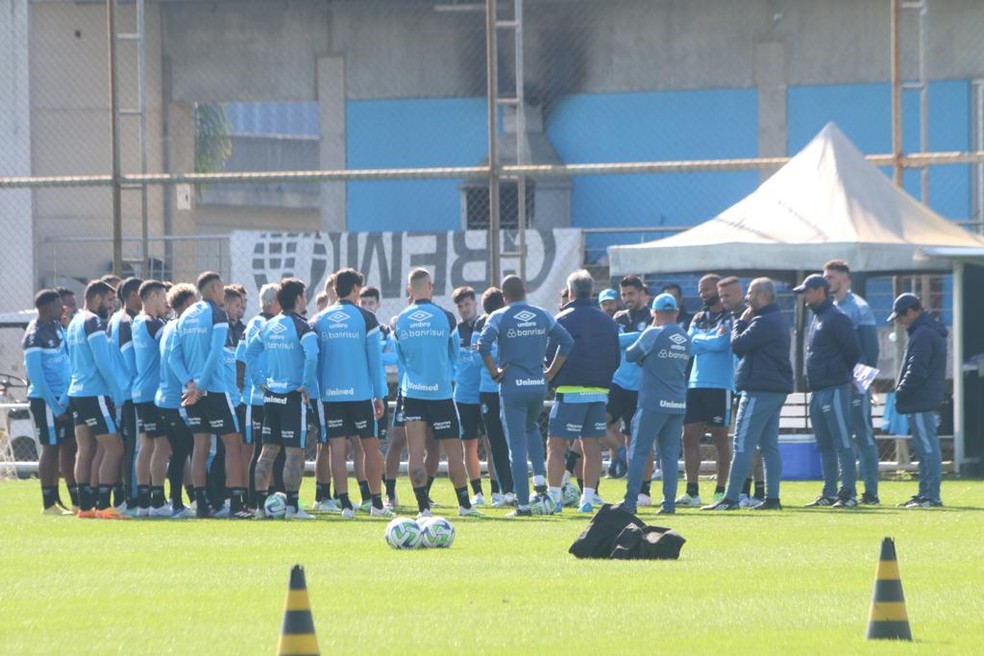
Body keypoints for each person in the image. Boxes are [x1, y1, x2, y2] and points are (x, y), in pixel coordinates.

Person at [478, 274, 573, 517]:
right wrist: (550, 372)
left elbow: (483, 345)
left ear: (503, 295)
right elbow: (567, 341)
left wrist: (495, 372)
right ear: (525, 291)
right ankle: (539, 478)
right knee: (531, 428)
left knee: (516, 446)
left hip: (512, 387)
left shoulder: (498, 316)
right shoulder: (542, 314)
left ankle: (522, 505)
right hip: (537, 385)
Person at [394, 268, 482, 519]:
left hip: (412, 394)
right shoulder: (446, 317)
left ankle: (423, 509)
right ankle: (465, 505)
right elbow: (455, 353)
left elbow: (401, 358)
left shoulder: (400, 320)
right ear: (431, 286)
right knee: (454, 451)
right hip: (441, 393)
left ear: (409, 289)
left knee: (415, 453)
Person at [702, 278, 792, 511]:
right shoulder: (777, 320)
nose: (746, 297)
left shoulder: (762, 322)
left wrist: (740, 323)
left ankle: (731, 498)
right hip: (774, 390)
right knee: (769, 447)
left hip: (759, 390)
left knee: (742, 444)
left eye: (750, 293)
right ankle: (772, 498)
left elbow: (738, 345)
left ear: (761, 296)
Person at [310, 268, 391, 518]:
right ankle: (376, 504)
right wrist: (380, 394)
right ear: (356, 289)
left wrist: (318, 392)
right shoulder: (366, 318)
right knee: (369, 447)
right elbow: (374, 361)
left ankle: (345, 505)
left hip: (331, 395)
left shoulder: (318, 320)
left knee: (337, 448)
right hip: (359, 395)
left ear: (334, 289)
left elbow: (315, 359)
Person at [174, 271, 249, 519]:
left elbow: (173, 357)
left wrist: (190, 384)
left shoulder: (185, 315)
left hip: (191, 391)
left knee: (200, 446)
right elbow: (215, 354)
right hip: (214, 389)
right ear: (216, 288)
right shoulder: (217, 314)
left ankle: (203, 504)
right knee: (233, 444)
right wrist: (202, 387)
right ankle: (237, 505)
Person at [244, 278, 319, 520]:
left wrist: (259, 381)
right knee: (294, 453)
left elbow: (249, 353)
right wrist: (306, 386)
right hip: (292, 398)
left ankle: (259, 508)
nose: (306, 300)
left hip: (271, 396)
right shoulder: (302, 327)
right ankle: (293, 507)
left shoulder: (268, 326)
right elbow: (312, 357)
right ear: (298, 299)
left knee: (268, 452)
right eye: (304, 296)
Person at [546, 270, 620, 513]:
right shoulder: (608, 321)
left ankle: (554, 499)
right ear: (592, 291)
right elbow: (615, 358)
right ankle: (587, 500)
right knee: (592, 446)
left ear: (571, 292)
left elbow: (550, 355)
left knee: (556, 445)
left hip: (569, 391)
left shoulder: (563, 318)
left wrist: (551, 376)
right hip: (599, 392)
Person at [795, 274, 863, 509]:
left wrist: (838, 373)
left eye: (807, 291)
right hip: (818, 389)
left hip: (834, 387)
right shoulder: (818, 318)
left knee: (842, 441)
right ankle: (830, 491)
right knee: (824, 444)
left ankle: (849, 494)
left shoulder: (836, 318)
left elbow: (853, 350)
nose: (804, 296)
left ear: (820, 291)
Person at [622, 293, 691, 514]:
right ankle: (668, 504)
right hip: (678, 402)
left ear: (654, 312)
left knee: (639, 451)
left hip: (652, 403)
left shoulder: (653, 333)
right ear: (676, 312)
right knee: (669, 456)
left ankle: (630, 501)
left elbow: (632, 355)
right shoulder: (685, 336)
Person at [67, 280, 127, 519]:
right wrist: (118, 392)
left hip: (77, 393)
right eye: (109, 300)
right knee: (114, 448)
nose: (112, 306)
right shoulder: (93, 322)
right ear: (96, 299)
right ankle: (103, 506)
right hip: (95, 393)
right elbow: (104, 362)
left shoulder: (74, 322)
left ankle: (85, 507)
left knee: (85, 449)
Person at [823, 260, 881, 505]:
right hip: (836, 383)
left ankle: (871, 492)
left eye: (831, 277)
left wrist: (861, 382)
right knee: (841, 438)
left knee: (863, 435)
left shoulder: (859, 307)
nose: (827, 282)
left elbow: (872, 349)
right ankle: (844, 490)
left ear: (845, 279)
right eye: (825, 277)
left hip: (855, 384)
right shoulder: (830, 308)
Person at [678, 274, 733, 506]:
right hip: (695, 384)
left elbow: (723, 344)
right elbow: (688, 345)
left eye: (707, 289)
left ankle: (721, 491)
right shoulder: (698, 317)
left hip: (720, 385)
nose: (703, 294)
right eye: (701, 290)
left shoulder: (730, 316)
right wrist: (709, 339)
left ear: (718, 291)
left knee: (720, 438)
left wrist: (702, 341)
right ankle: (692, 492)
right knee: (688, 437)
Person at [890, 293, 947, 508]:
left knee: (927, 449)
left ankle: (930, 496)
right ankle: (925, 494)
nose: (900, 321)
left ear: (912, 311)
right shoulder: (927, 330)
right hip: (925, 398)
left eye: (901, 316)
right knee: (926, 449)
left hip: (921, 399)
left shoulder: (922, 333)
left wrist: (901, 391)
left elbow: (917, 369)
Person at [24, 289, 75, 515]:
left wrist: (65, 397)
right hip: (45, 401)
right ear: (45, 308)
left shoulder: (57, 327)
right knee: (50, 447)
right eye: (58, 305)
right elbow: (36, 376)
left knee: (66, 446)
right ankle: (49, 503)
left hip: (62, 399)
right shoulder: (34, 335)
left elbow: (68, 361)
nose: (62, 308)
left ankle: (63, 500)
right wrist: (55, 404)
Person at [717, 276, 766, 506]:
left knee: (750, 442)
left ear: (741, 294)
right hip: (734, 385)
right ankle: (748, 492)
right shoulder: (724, 317)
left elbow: (735, 346)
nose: (724, 300)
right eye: (721, 295)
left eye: (728, 295)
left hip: (749, 385)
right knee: (741, 441)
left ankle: (752, 492)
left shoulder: (750, 317)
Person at [237, 283, 283, 509]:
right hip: (261, 397)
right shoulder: (267, 324)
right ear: (275, 302)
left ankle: (264, 499)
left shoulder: (255, 323)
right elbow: (242, 359)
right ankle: (255, 500)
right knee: (262, 450)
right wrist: (250, 388)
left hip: (257, 397)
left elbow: (240, 358)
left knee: (264, 450)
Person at [156, 283, 198, 519]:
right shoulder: (179, 326)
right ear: (187, 303)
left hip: (167, 399)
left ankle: (181, 501)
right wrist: (190, 383)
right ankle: (181, 502)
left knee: (181, 452)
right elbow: (174, 360)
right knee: (186, 450)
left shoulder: (170, 326)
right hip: (175, 401)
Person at [131, 281, 171, 517]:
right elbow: (171, 340)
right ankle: (157, 501)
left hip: (141, 391)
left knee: (146, 445)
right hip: (153, 393)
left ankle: (144, 502)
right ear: (153, 296)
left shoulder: (137, 321)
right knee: (162, 445)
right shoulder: (151, 323)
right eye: (164, 296)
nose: (166, 302)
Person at [607, 275, 652, 484]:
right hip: (619, 383)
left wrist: (630, 339)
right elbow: (613, 341)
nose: (627, 298)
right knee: (596, 423)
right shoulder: (619, 317)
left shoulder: (653, 317)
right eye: (624, 294)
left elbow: (653, 340)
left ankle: (642, 489)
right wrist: (639, 336)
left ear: (642, 293)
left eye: (631, 293)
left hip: (642, 387)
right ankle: (622, 456)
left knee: (641, 439)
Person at [473, 287, 514, 507]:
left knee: (501, 441)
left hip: (495, 390)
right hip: (495, 388)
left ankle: (510, 489)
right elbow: (476, 354)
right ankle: (507, 489)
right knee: (498, 440)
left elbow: (480, 352)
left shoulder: (504, 323)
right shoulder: (482, 325)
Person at [452, 286, 490, 506]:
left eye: (467, 304)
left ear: (475, 303)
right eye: (460, 306)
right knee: (469, 445)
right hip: (464, 396)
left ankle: (498, 490)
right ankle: (477, 492)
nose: (464, 309)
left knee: (490, 442)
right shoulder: (455, 332)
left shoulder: (485, 326)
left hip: (485, 393)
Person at [107, 276, 143, 510]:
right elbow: (131, 361)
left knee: (129, 443)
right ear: (133, 295)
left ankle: (124, 496)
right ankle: (131, 498)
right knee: (134, 444)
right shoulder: (126, 321)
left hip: (122, 391)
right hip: (129, 392)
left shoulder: (117, 319)